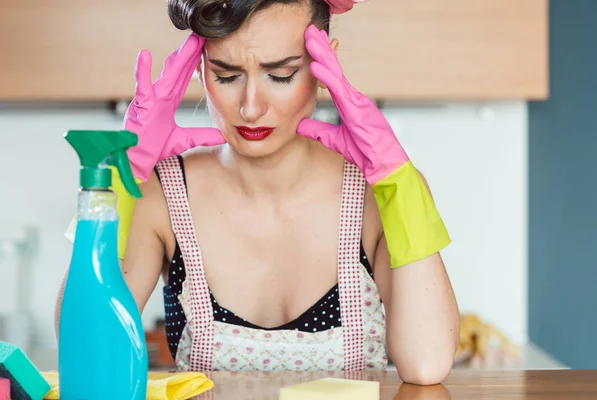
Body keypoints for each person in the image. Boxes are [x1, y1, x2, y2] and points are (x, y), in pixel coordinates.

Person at [56, 0, 460, 385]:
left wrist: (399, 181)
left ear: (325, 66)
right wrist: (115, 179)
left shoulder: (382, 194)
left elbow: (426, 363)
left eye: (281, 75)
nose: (251, 107)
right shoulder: (158, 195)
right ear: (198, 69)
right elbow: (83, 346)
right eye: (227, 75)